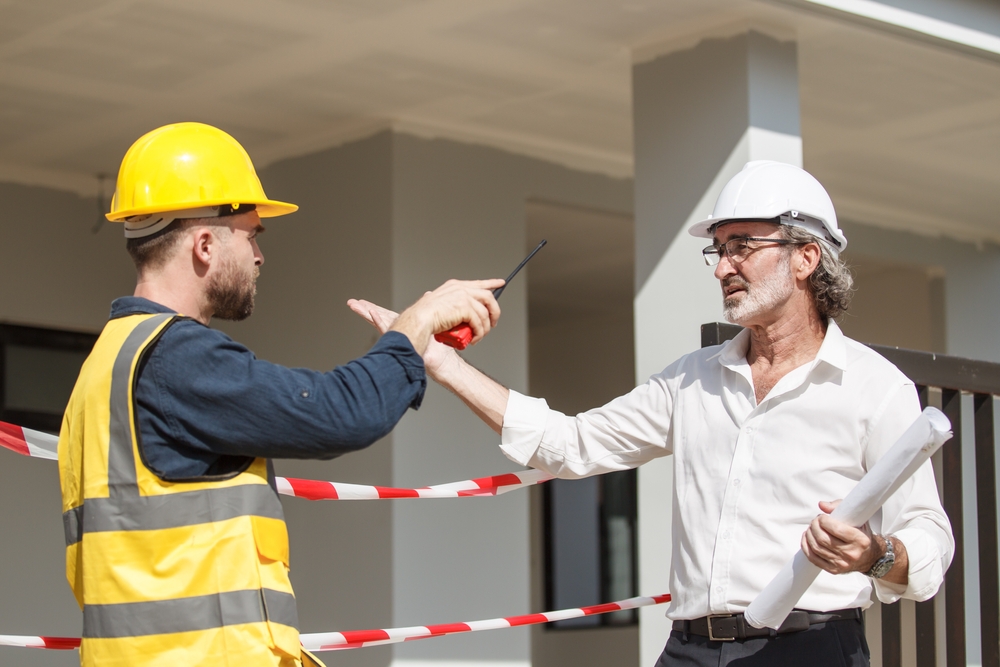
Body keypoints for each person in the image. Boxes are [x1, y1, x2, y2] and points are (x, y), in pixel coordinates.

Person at [349, 160, 954, 666]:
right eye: (718, 250)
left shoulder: (877, 390)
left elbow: (930, 539)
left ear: (806, 258)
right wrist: (440, 362)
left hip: (813, 648)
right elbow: (569, 445)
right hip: (688, 650)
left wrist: (875, 555)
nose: (722, 266)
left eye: (742, 246)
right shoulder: (690, 380)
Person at [57, 122, 503, 667]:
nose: (259, 257)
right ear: (204, 244)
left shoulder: (107, 362)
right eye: (251, 235)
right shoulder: (176, 359)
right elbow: (340, 414)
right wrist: (417, 324)